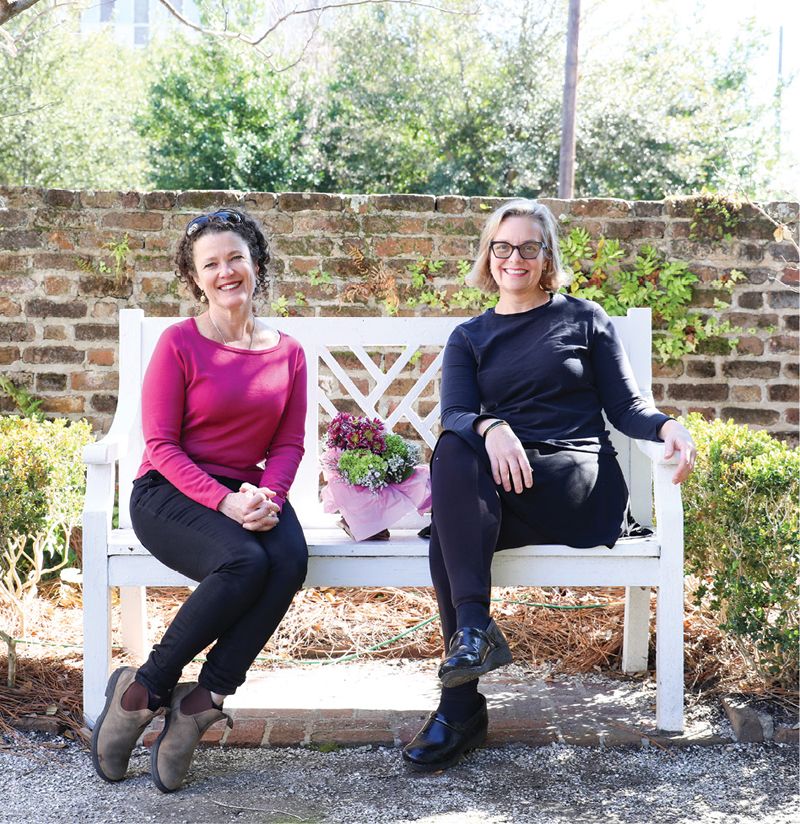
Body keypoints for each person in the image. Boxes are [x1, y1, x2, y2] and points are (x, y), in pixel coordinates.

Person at [402, 199, 696, 772]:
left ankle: (459, 705)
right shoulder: (469, 336)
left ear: (547, 255)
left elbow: (628, 406)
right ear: (489, 255)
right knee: (455, 460)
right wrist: (493, 427)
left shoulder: (584, 319)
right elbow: (456, 413)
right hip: (511, 480)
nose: (516, 258)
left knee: (449, 530)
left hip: (577, 480)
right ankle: (468, 658)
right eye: (503, 247)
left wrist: (666, 424)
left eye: (529, 247)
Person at [91, 208, 309, 792]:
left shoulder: (287, 352)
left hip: (246, 491)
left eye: (235, 257)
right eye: (210, 264)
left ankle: (201, 703)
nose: (225, 271)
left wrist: (268, 495)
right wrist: (225, 503)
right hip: (169, 493)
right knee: (246, 560)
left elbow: (289, 441)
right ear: (196, 278)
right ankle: (144, 691)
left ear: (256, 264)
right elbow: (160, 446)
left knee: (288, 558)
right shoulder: (179, 343)